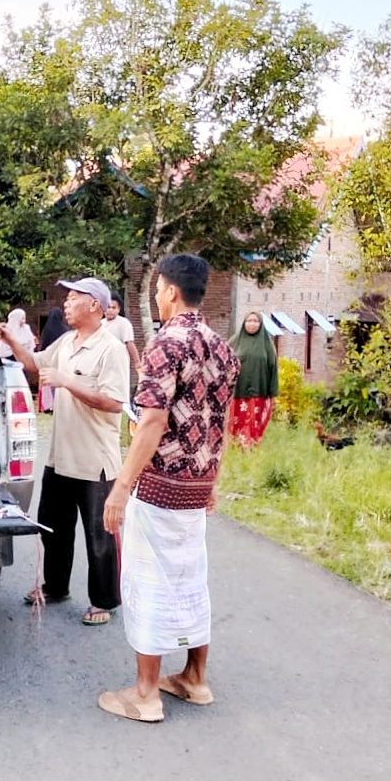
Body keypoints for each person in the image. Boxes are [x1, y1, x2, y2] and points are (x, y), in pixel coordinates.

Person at [98, 254, 239, 723]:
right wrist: (212, 480)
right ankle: (195, 678)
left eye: (158, 289)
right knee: (190, 577)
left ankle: (145, 694)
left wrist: (121, 487)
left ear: (172, 292)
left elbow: (153, 422)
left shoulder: (165, 345)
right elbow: (220, 422)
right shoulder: (222, 349)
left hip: (159, 486)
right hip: (197, 484)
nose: (157, 297)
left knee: (149, 579)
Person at [0, 277, 128, 625]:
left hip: (95, 461)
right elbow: (34, 363)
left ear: (94, 305)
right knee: (53, 527)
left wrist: (67, 381)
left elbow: (114, 402)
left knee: (100, 536)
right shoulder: (67, 341)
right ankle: (55, 587)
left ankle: (104, 601)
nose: (65, 304)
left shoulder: (111, 349)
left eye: (73, 298)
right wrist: (11, 340)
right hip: (60, 457)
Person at [227, 311, 279, 446]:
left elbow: (273, 368)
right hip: (238, 391)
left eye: (255, 321)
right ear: (244, 323)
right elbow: (223, 361)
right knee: (237, 421)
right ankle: (235, 446)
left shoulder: (267, 345)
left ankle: (252, 446)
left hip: (259, 390)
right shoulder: (234, 342)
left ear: (261, 324)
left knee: (254, 421)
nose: (252, 324)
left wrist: (272, 391)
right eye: (249, 321)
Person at [36, 306, 69, 413]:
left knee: (47, 383)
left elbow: (43, 345)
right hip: (61, 361)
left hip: (48, 360)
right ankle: (56, 405)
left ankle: (47, 406)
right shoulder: (65, 331)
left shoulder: (47, 330)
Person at [103, 294, 141, 369]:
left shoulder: (124, 323)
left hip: (118, 361)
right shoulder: (100, 324)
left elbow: (129, 343)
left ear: (119, 309)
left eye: (113, 308)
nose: (110, 310)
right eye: (108, 307)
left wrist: (137, 362)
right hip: (103, 360)